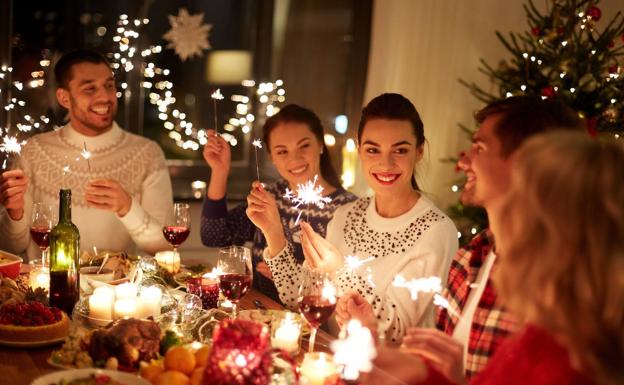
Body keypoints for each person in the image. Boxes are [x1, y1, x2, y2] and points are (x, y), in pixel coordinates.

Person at [337, 95, 584, 382]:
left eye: (479, 147)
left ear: (527, 163)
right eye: (373, 149)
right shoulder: (471, 259)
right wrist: (372, 334)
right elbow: (438, 371)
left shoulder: (565, 287)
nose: (464, 160)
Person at [363, 131, 624, 385]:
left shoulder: (560, 359)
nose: (505, 217)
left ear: (558, 231)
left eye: (517, 201)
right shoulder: (551, 333)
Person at [260, 93, 458, 342]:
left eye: (400, 150)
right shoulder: (346, 215)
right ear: (360, 149)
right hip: (328, 362)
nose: (385, 163)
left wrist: (339, 271)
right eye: (373, 149)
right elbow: (300, 297)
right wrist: (273, 233)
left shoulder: (436, 231)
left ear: (419, 151)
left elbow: (394, 332)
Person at [0, 49, 172, 258]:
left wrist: (128, 208)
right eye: (90, 89)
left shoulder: (147, 153)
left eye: (109, 86)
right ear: (64, 98)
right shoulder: (34, 151)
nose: (105, 97)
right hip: (46, 288)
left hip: (117, 288)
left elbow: (164, 247)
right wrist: (15, 214)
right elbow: (10, 248)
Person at [200, 104, 356, 302]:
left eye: (304, 146)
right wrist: (220, 170)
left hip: (310, 322)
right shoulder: (269, 197)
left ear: (320, 145)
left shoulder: (349, 210)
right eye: (282, 151)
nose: (295, 158)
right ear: (271, 157)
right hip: (259, 312)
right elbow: (214, 236)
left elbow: (347, 285)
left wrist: (287, 275)